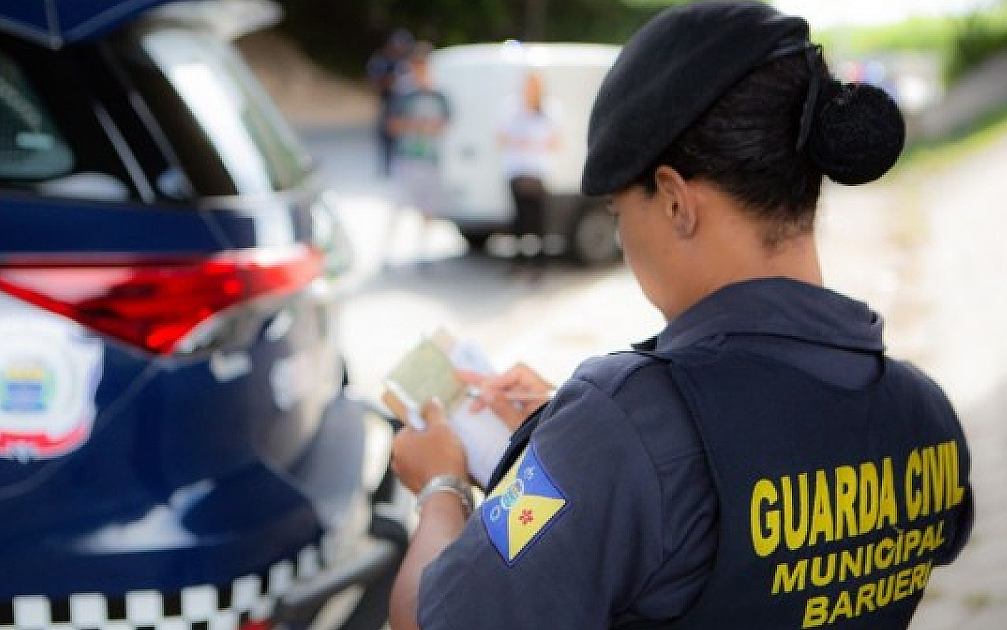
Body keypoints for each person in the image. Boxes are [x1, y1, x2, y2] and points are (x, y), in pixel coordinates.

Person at [385, 3, 975, 630]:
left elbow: (428, 621)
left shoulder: (621, 425)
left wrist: (441, 488)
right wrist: (562, 448)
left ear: (673, 201)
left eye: (618, 213)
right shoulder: (923, 414)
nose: (622, 241)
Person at [383, 43, 452, 268]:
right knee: (398, 205)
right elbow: (392, 125)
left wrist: (430, 127)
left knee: (428, 208)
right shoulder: (404, 95)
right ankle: (388, 251)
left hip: (429, 159)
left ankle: (423, 250)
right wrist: (416, 126)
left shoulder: (438, 94)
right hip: (407, 158)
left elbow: (445, 123)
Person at [498, 72, 562, 274]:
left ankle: (539, 261)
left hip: (537, 171)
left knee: (538, 218)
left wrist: (534, 144)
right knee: (519, 218)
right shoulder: (511, 108)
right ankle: (519, 260)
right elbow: (500, 137)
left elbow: (556, 140)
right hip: (516, 169)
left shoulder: (550, 109)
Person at [367, 29, 414, 178]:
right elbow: (375, 83)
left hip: (407, 107)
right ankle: (387, 169)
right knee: (386, 137)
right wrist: (392, 81)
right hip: (389, 105)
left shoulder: (407, 63)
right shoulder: (382, 61)